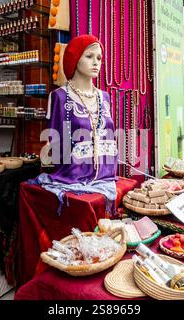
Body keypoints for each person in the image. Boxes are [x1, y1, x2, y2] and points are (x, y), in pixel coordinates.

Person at [29, 35, 118, 214]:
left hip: (106, 177)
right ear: (75, 58)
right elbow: (54, 142)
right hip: (73, 177)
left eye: (99, 58)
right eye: (89, 56)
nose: (96, 62)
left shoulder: (105, 97)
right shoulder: (60, 97)